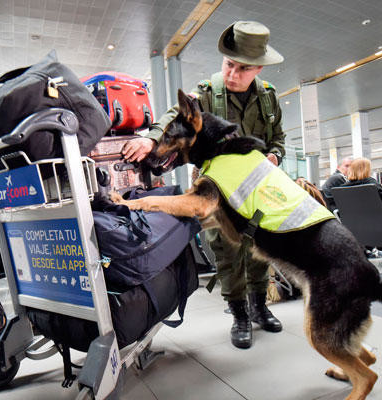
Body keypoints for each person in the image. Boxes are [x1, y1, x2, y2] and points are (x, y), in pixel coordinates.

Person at [122, 20, 285, 349]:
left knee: (258, 249)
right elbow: (174, 115)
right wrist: (152, 140)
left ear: (258, 69)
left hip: (256, 187)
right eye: (229, 64)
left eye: (242, 69)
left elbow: (278, 138)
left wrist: (276, 157)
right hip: (216, 190)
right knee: (226, 251)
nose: (232, 73)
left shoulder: (268, 98)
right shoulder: (208, 94)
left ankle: (259, 307)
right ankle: (239, 313)